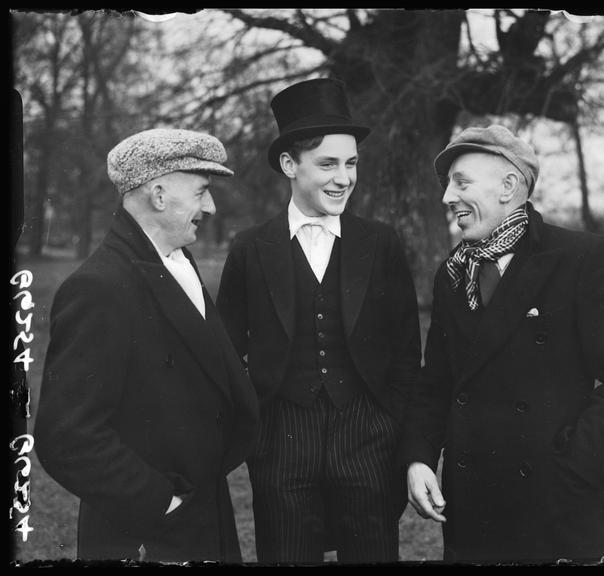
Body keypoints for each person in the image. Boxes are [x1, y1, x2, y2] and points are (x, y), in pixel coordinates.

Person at [403, 125, 604, 563]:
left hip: (556, 513)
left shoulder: (580, 258)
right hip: (471, 513)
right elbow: (437, 384)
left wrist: (577, 471)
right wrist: (419, 458)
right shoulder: (451, 275)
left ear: (508, 187)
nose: (447, 198)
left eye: (461, 183)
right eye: (447, 186)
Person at [216, 78, 421, 564]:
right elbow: (226, 350)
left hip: (366, 436)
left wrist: (387, 425)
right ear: (290, 164)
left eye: (351, 163)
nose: (344, 177)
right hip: (282, 440)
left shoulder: (381, 242)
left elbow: (407, 352)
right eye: (327, 163)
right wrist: (259, 434)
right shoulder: (251, 247)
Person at [35, 128, 260, 563]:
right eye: (201, 192)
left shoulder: (178, 260)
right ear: (158, 195)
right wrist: (161, 501)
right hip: (146, 534)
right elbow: (65, 437)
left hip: (203, 515)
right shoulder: (99, 287)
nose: (210, 207)